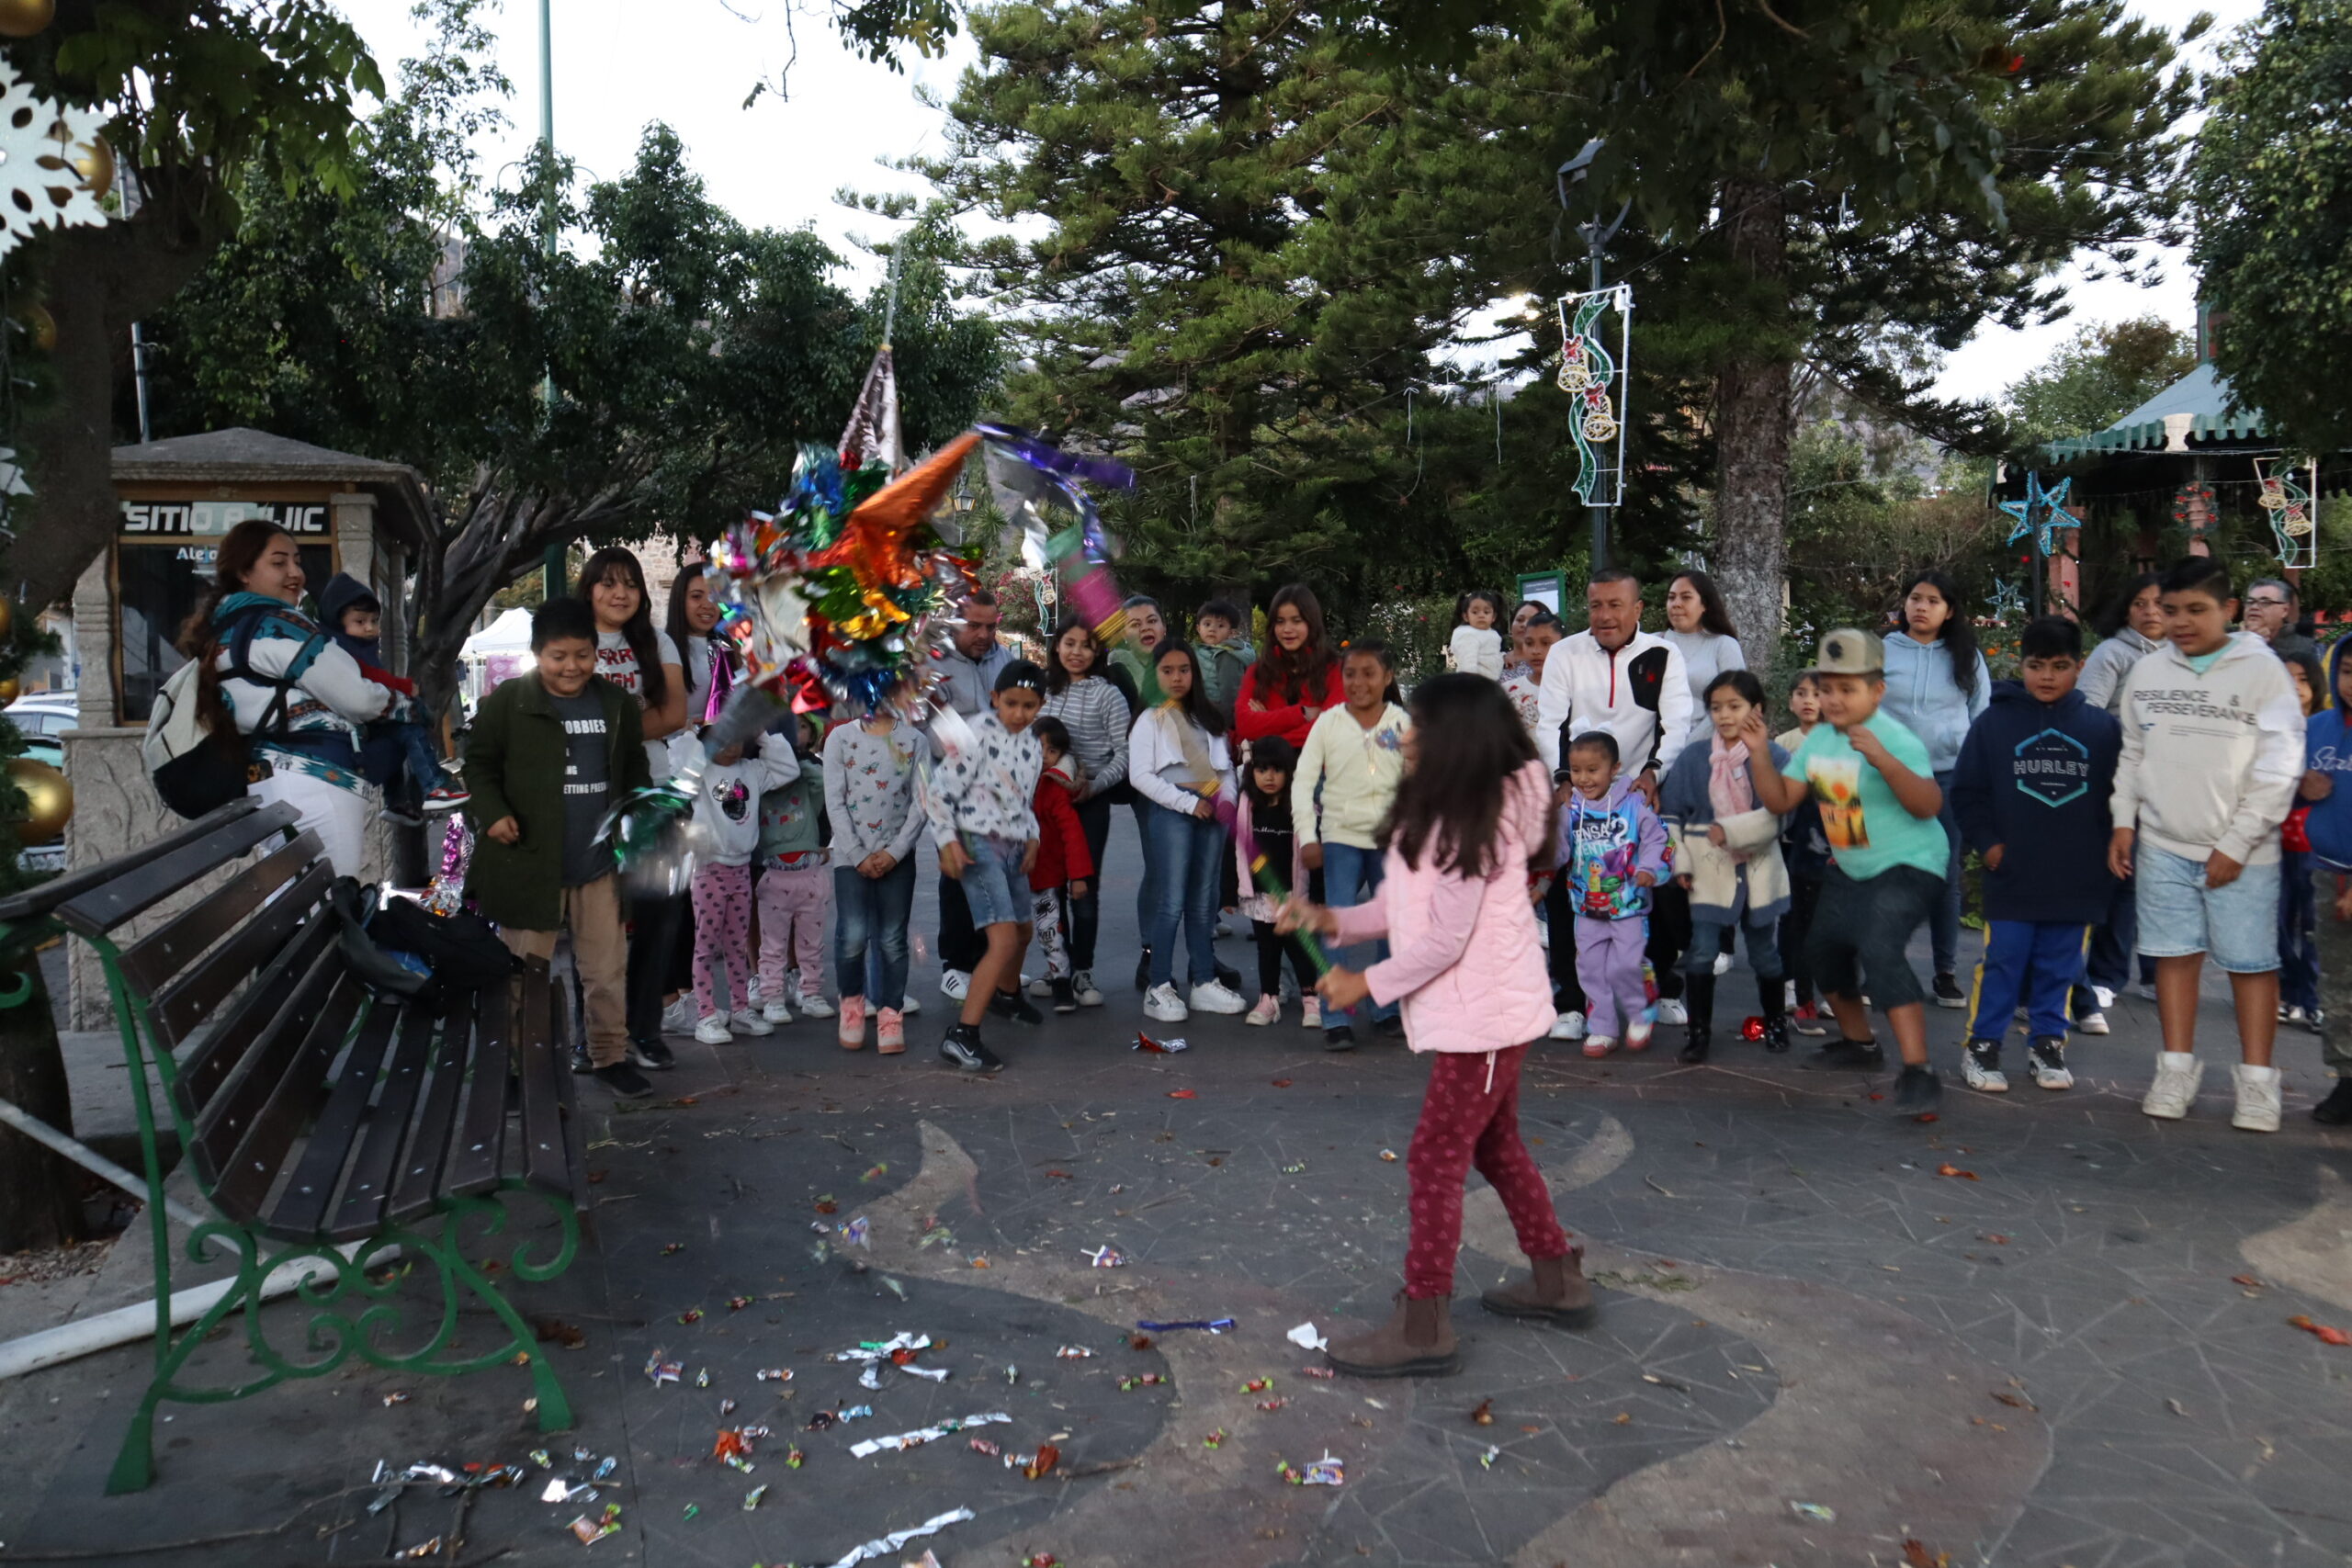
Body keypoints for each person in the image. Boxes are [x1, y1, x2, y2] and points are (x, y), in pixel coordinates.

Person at [1278, 674, 1593, 1378]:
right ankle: (1556, 1276)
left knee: (1435, 1157)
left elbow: (1443, 940)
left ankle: (1424, 1321)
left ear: (1453, 739)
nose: (1403, 732)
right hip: (1480, 1015)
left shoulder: (1469, 821)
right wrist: (1330, 918)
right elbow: (1396, 907)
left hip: (1485, 1017)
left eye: (1417, 723)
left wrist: (1364, 982)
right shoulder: (1438, 811)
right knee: (1496, 1145)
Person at [2108, 558, 2302, 1133]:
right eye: (2170, 611)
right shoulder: (2147, 674)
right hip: (2163, 843)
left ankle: (2259, 1083)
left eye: (2197, 610)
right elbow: (2132, 754)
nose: (2181, 622)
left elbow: (2280, 765)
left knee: (2251, 964)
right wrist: (2124, 821)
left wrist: (2239, 843)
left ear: (2229, 611)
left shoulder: (2262, 672)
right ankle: (2175, 1069)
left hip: (2244, 852)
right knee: (2172, 955)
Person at [1743, 628, 1951, 1117]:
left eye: (1847, 689)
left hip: (1911, 864)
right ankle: (1859, 1045)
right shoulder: (1817, 746)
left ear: (1877, 691)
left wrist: (1882, 758)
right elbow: (1780, 802)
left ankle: (1919, 1070)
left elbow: (1929, 805)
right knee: (1821, 954)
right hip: (1852, 865)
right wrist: (1756, 751)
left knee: (1880, 949)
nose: (1833, 700)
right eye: (1826, 689)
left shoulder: (1896, 737)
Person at [463, 597, 654, 1099]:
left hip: (598, 866)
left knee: (606, 973)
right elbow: (478, 765)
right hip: (529, 865)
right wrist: (494, 813)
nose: (572, 667)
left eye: (582, 655)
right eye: (558, 656)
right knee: (523, 975)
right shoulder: (508, 701)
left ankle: (609, 1055)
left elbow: (633, 766)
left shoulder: (614, 705)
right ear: (535, 654)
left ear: (596, 653)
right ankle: (515, 1067)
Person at [1949, 617, 2121, 1094]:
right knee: (2004, 960)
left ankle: (2048, 1043)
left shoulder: (2103, 729)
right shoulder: (1994, 724)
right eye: (2036, 665)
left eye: (2060, 666)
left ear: (2079, 667)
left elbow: (2120, 798)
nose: (2047, 676)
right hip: (2013, 874)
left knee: (2060, 964)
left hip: (2077, 877)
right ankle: (1981, 1047)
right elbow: (1967, 793)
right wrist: (1990, 843)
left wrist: (2110, 849)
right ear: (2021, 665)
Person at [177, 520, 401, 876]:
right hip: (315, 781)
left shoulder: (227, 626)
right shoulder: (276, 626)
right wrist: (399, 702)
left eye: (297, 561)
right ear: (243, 572)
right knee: (333, 899)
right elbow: (359, 698)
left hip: (273, 779)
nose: (295, 573)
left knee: (297, 905)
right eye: (279, 563)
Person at [1536, 570, 1694, 1035]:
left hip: (1639, 790)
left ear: (1638, 608)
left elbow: (1678, 720)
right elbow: (1550, 723)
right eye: (1596, 605)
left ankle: (1663, 985)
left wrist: (1654, 773)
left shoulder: (1663, 654)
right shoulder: (1565, 653)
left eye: (1615, 605)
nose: (1604, 615)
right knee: (1570, 890)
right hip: (1580, 788)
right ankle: (1570, 1001)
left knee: (1657, 887)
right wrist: (1564, 778)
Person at [576, 547, 690, 1070]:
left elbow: (673, 714)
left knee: (659, 919)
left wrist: (605, 739)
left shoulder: (656, 640)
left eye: (630, 584)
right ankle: (596, 1035)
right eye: (608, 583)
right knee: (593, 922)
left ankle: (645, 1029)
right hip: (584, 800)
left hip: (654, 795)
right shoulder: (572, 642)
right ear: (589, 588)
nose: (619, 594)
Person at [1659, 671, 1792, 1064]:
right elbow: (1671, 816)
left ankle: (1775, 1023)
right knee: (1701, 950)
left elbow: (1782, 814)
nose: (1724, 715)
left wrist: (1732, 831)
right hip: (1708, 868)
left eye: (1735, 706)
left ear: (1758, 710)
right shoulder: (1694, 757)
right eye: (1716, 707)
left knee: (1765, 951)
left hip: (1759, 866)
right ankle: (1698, 1032)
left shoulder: (1776, 756)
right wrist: (1680, 860)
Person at [927, 660, 1048, 1073]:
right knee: (1002, 941)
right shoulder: (974, 733)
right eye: (1011, 703)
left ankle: (1007, 995)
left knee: (1023, 931)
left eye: (1028, 705)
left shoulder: (1032, 743)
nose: (1018, 713)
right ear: (995, 698)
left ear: (1040, 706)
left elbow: (1023, 800)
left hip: (1014, 844)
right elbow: (939, 792)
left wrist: (1033, 837)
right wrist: (947, 842)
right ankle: (962, 1036)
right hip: (977, 844)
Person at [1879, 570, 1991, 1010]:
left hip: (1948, 778)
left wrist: (1977, 774)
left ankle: (1945, 972)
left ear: (1949, 611)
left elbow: (1981, 715)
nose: (1920, 607)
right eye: (1914, 598)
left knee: (1944, 880)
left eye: (1931, 601)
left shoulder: (1966, 656)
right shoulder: (1883, 651)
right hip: (1887, 777)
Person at [1295, 640, 1410, 1048]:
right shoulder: (1328, 723)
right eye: (1350, 674)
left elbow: (1418, 782)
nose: (1358, 682)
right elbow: (1304, 780)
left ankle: (1385, 1005)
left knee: (1393, 926)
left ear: (1388, 677)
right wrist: (1309, 836)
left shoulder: (1402, 724)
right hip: (1340, 839)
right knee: (1338, 927)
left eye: (1369, 673)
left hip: (1391, 842)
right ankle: (1335, 1014)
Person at [1132, 641, 1247, 1022]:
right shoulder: (1150, 719)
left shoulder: (1208, 718)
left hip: (1213, 812)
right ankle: (1159, 986)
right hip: (1173, 812)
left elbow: (1226, 768)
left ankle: (1203, 982)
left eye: (1184, 669)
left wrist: (1226, 801)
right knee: (1171, 902)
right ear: (1156, 675)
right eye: (1167, 670)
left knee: (1204, 900)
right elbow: (1141, 776)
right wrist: (1185, 803)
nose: (1177, 677)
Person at [2075, 571, 2165, 1018]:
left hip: (2165, 787)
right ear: (2126, 610)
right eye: (2140, 604)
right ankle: (2098, 977)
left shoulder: (2182, 656)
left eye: (2159, 603)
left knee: (2146, 882)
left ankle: (2143, 975)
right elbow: (2086, 714)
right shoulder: (2113, 653)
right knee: (2114, 878)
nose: (2151, 612)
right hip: (2114, 782)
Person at [316, 571, 466, 825]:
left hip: (360, 728)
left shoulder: (351, 646)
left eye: (374, 621)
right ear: (337, 621)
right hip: (353, 732)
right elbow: (370, 675)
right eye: (360, 621)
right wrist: (404, 686)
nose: (369, 628)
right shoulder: (341, 649)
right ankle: (434, 786)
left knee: (397, 741)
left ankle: (396, 801)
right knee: (410, 730)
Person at [821, 696, 923, 1055]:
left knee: (893, 940)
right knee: (852, 935)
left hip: (898, 857)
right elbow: (834, 800)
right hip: (851, 856)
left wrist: (894, 853)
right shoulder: (838, 739)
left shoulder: (915, 741)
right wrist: (858, 853)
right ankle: (851, 1005)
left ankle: (890, 1014)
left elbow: (921, 801)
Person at [1559, 731, 1669, 1057]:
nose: (1583, 778)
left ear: (1615, 768)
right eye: (1576, 770)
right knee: (1590, 968)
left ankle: (1639, 1013)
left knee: (1627, 965)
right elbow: (1558, 849)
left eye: (1593, 770)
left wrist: (1650, 868)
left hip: (1628, 905)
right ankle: (1603, 1027)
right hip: (1585, 906)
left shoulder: (1635, 805)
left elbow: (1658, 841)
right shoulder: (1570, 809)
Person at [1038, 617, 1129, 1008]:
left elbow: (1124, 754)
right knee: (1049, 889)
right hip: (1044, 804)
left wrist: (1093, 784)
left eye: (1086, 645)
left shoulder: (1108, 695)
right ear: (1057, 646)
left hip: (1089, 804)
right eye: (1069, 643)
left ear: (1098, 652)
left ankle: (1082, 971)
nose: (1077, 652)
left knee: (1083, 890)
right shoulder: (1045, 690)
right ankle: (1057, 966)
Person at [688, 729, 797, 1044]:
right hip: (709, 869)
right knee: (706, 946)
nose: (731, 746)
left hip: (741, 869)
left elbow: (787, 769)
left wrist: (764, 735)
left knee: (737, 945)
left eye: (737, 737)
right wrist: (689, 736)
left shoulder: (751, 770)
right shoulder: (701, 772)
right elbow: (678, 762)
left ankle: (740, 1010)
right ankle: (706, 1015)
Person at [930, 589, 1012, 1005]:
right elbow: (935, 729)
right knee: (959, 875)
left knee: (997, 875)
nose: (984, 635)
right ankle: (956, 966)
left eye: (990, 626)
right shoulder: (932, 665)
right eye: (974, 626)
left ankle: (990, 962)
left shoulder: (1005, 660)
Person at [2298, 637, 2352, 1124]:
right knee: (2336, 982)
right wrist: (2302, 785)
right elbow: (2288, 786)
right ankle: (2346, 1080)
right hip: (2328, 871)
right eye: (2349, 671)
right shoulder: (2318, 728)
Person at [754, 713, 835, 1027]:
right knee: (772, 944)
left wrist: (798, 760)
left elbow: (821, 781)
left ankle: (811, 992)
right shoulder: (762, 786)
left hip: (811, 876)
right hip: (775, 878)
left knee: (812, 943)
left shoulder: (806, 790)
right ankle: (772, 996)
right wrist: (772, 761)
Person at [1234, 736, 1318, 1027]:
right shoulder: (1247, 806)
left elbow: (1313, 853)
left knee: (1299, 946)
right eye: (1261, 769)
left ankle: (1311, 998)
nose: (1269, 777)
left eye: (1277, 770)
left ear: (1289, 771)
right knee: (1267, 948)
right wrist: (1229, 892)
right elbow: (1234, 849)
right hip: (1260, 895)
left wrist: (1317, 894)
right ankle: (1268, 999)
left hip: (1295, 893)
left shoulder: (1300, 806)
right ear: (1251, 771)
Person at [1024, 716, 1095, 1013]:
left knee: (1050, 929)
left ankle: (1062, 982)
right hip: (1016, 873)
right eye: (1037, 748)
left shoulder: (1054, 789)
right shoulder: (1013, 782)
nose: (1043, 756)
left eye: (1051, 751)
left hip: (1047, 875)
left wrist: (1078, 876)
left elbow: (1072, 833)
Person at [1775, 671, 1831, 1037]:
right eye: (1801, 693)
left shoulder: (1840, 740)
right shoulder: (1782, 743)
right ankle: (1793, 986)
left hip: (1833, 843)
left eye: (1817, 693)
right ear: (1791, 701)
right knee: (1794, 918)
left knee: (1829, 919)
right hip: (1791, 841)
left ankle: (1832, 989)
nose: (1809, 700)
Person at [2278, 647, 2326, 1031]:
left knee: (2313, 924)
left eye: (2302, 679)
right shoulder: (2268, 730)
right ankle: (2287, 990)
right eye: (2286, 678)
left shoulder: (2325, 729)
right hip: (2272, 842)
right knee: (2275, 922)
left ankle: (2310, 998)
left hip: (2315, 845)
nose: (2295, 687)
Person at [1234, 584, 1345, 752]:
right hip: (1269, 773)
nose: (1287, 629)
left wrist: (1267, 740)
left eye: (1296, 621)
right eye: (1280, 621)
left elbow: (1329, 730)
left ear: (1311, 623)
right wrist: (1301, 714)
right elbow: (1244, 725)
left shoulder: (1335, 669)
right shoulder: (1258, 672)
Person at [1660, 570, 1747, 744]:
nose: (1676, 604)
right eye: (1671, 598)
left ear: (1704, 605)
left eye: (1686, 597)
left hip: (1709, 749)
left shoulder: (1724, 645)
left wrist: (1688, 748)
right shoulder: (1653, 644)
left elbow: (1735, 703)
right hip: (1654, 753)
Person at [1193, 598, 1256, 726]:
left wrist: (1226, 723)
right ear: (1199, 628)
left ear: (1232, 633)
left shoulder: (1228, 655)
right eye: (1207, 624)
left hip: (1220, 714)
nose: (1212, 629)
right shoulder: (1201, 650)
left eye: (1220, 626)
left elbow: (1230, 691)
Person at [1504, 614, 1564, 739]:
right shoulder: (1507, 691)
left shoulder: (1576, 690)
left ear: (1563, 644)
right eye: (1529, 643)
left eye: (1545, 643)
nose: (1536, 651)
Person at [1106, 593, 1167, 709]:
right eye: (1135, 624)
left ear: (1164, 627)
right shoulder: (1116, 673)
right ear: (1124, 634)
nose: (1145, 628)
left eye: (1152, 621)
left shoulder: (1185, 666)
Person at [2244, 577, 2320, 665]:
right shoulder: (2230, 641)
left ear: (2285, 610)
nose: (2254, 607)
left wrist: (2261, 646)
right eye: (2250, 602)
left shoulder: (2309, 648)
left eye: (2265, 603)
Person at [1447, 589, 1506, 680]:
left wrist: (1503, 657)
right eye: (1475, 612)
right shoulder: (1467, 634)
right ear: (1466, 616)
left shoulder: (1493, 633)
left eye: (1486, 612)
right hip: (1474, 685)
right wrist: (1472, 685)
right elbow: (1467, 664)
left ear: (1493, 617)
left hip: (1490, 683)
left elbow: (1493, 655)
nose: (1481, 615)